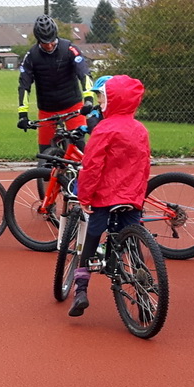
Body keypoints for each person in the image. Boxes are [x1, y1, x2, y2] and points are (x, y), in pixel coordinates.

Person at [67, 75, 150, 316]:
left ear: (111, 100)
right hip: (131, 196)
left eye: (103, 96)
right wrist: (138, 194)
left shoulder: (104, 129)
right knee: (134, 241)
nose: (100, 101)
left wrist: (85, 196)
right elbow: (144, 166)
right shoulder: (140, 129)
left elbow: (92, 166)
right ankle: (143, 294)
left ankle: (81, 288)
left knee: (93, 235)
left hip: (105, 196)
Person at [17, 14, 93, 155]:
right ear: (38, 40)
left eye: (52, 41)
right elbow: (24, 85)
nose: (50, 45)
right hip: (47, 109)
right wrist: (22, 114)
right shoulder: (31, 56)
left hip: (72, 105)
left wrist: (88, 100)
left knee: (80, 147)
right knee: (45, 154)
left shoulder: (70, 49)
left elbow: (84, 74)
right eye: (45, 42)